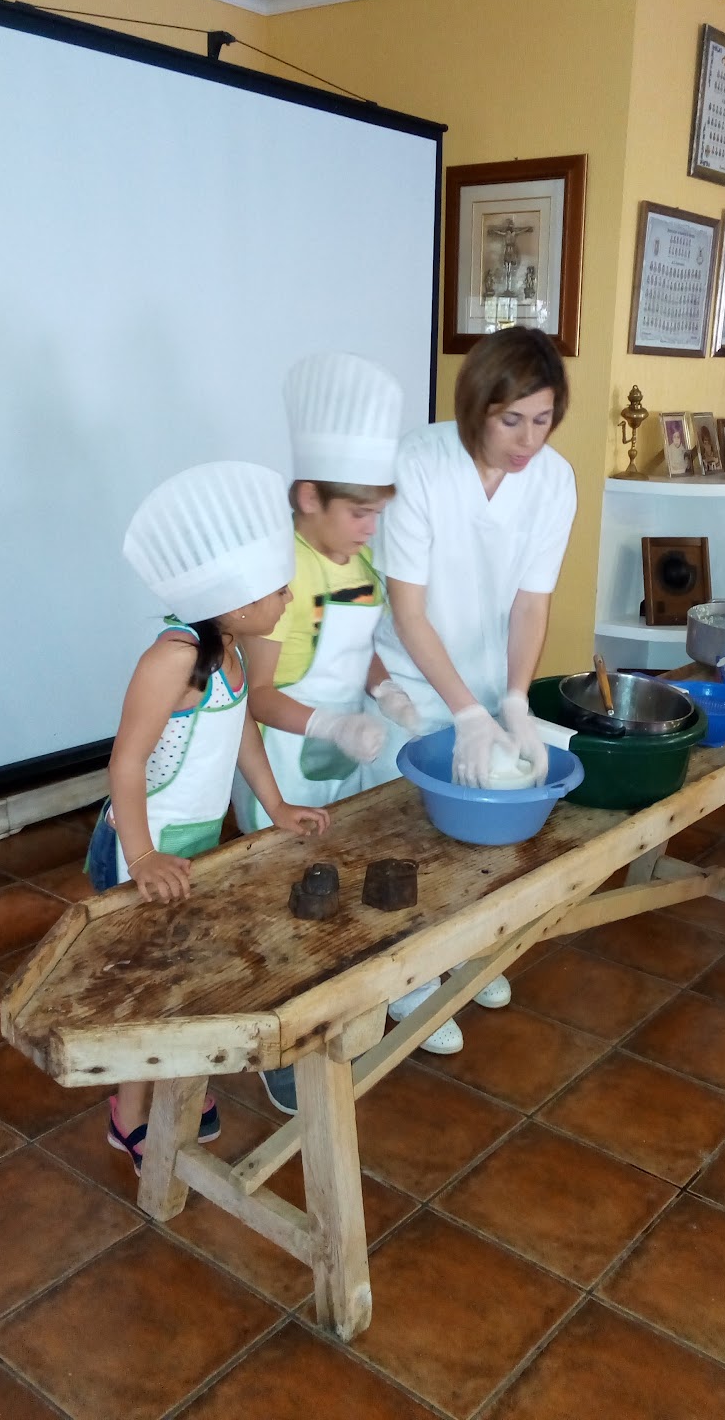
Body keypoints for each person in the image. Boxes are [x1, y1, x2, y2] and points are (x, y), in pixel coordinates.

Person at [86, 461, 329, 1172]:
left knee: (183, 972)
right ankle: (129, 1114)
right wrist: (141, 856)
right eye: (277, 588)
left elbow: (239, 728)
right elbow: (126, 763)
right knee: (149, 988)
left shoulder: (232, 652)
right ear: (230, 600)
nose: (288, 597)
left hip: (190, 845)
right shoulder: (172, 659)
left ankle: (176, 1085)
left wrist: (275, 805)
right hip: (141, 846)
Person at [366, 325, 577, 1052]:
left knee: (474, 838)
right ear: (476, 406)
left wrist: (512, 699)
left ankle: (460, 956)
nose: (528, 441)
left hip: (487, 681)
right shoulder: (419, 465)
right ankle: (406, 979)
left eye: (543, 420)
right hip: (411, 680)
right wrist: (461, 710)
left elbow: (531, 604)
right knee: (406, 838)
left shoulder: (553, 479)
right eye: (511, 420)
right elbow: (409, 610)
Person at [232, 352, 420, 1110]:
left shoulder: (355, 560)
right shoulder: (282, 573)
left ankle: (337, 1009)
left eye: (377, 513)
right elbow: (257, 697)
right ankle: (279, 1047)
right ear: (309, 498)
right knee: (282, 895)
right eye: (359, 513)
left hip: (335, 753)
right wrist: (332, 723)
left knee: (331, 880)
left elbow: (359, 644)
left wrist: (384, 690)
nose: (372, 528)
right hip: (281, 760)